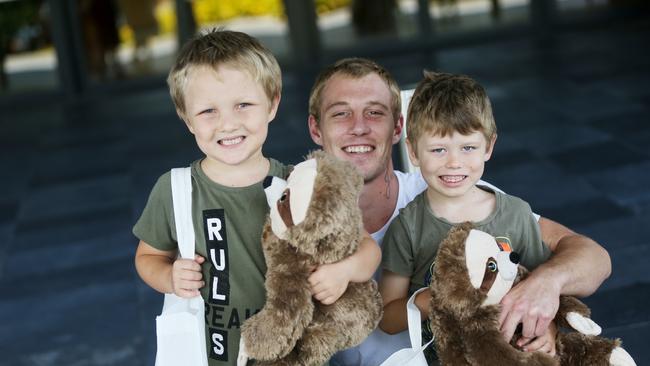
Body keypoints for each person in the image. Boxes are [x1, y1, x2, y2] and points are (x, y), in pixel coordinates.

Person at [307, 58, 611, 365]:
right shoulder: (293, 215)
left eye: (374, 112)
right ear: (316, 129)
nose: (359, 127)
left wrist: (543, 290)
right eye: (341, 113)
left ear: (397, 127)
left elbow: (594, 258)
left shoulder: (461, 193)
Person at [133, 30, 380, 366]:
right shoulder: (175, 189)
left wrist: (344, 271)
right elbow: (147, 256)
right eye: (208, 111)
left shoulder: (300, 184)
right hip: (210, 354)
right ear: (186, 117)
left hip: (291, 353)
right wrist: (169, 277)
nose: (228, 124)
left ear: (272, 104)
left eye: (243, 105)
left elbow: (368, 249)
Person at [379, 70, 555, 362]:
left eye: (468, 147)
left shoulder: (516, 214)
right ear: (412, 151)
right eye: (438, 149)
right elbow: (387, 319)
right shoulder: (407, 227)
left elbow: (543, 290)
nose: (453, 162)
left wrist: (549, 330)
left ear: (489, 146)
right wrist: (431, 300)